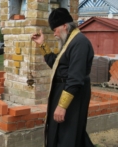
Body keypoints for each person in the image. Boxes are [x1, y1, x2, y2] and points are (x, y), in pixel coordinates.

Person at [31, 8, 94, 147]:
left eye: (55, 30)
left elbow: (75, 77)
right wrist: (42, 45)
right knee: (59, 132)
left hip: (73, 96)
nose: (54, 34)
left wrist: (62, 106)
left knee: (69, 135)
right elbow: (58, 66)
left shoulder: (80, 42)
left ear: (64, 26)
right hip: (62, 91)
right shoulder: (70, 41)